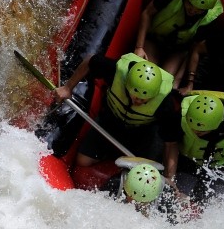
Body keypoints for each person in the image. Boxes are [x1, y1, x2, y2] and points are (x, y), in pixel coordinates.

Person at [49, 52, 178, 167]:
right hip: (111, 119)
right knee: (83, 161)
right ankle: (109, 153)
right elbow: (90, 61)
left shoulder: (165, 102)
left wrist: (169, 175)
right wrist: (67, 88)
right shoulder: (116, 71)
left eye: (144, 99)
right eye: (135, 96)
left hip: (141, 132)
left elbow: (171, 141)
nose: (138, 101)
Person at [134, 0, 224, 86]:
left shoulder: (209, 17)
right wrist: (139, 47)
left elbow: (194, 48)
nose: (193, 11)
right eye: (190, 4)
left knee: (165, 83)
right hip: (154, 40)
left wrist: (178, 80)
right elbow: (147, 13)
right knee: (146, 75)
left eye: (199, 9)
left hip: (177, 50)